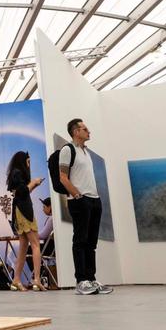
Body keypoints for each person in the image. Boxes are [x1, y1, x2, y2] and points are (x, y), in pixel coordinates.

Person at [58, 119, 112, 295]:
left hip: (94, 200)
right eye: (85, 129)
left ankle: (91, 279)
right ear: (76, 132)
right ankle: (81, 281)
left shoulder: (86, 152)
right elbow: (63, 177)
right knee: (80, 241)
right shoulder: (68, 150)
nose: (89, 131)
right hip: (80, 200)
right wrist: (77, 195)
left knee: (91, 243)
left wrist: (93, 198)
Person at [6, 151, 44, 291]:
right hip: (24, 211)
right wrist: (33, 183)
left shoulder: (15, 173)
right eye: (28, 161)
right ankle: (37, 279)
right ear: (22, 161)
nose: (29, 165)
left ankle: (16, 280)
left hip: (20, 210)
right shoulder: (17, 173)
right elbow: (22, 192)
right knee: (35, 245)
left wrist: (34, 185)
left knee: (23, 247)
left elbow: (22, 193)